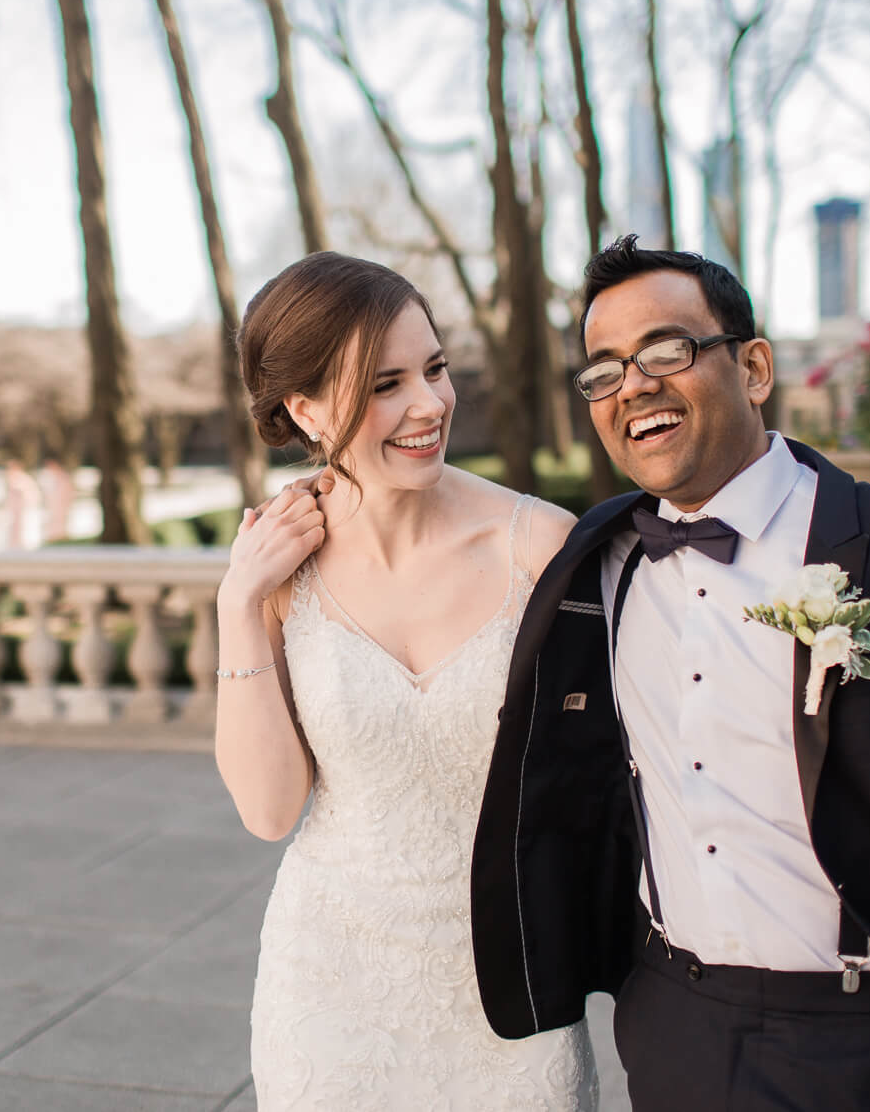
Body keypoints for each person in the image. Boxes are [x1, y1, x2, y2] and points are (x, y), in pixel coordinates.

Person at [471, 237, 870, 1112]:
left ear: (755, 366)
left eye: (667, 350)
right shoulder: (596, 564)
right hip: (672, 1030)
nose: (634, 385)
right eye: (604, 370)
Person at [216, 252, 597, 1110]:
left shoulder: (537, 546)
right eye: (385, 384)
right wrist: (238, 601)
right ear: (305, 409)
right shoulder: (279, 568)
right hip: (330, 983)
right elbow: (270, 811)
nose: (428, 404)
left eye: (434, 368)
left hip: (509, 987)